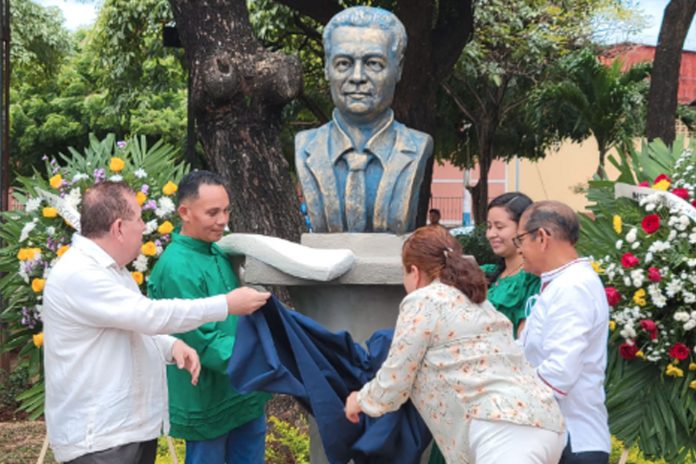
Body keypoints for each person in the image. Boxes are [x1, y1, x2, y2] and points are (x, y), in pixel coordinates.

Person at [42, 181, 270, 464]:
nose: (144, 227)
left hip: (128, 430)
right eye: (138, 218)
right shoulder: (81, 274)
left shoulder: (114, 270)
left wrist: (170, 345)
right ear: (118, 228)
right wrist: (226, 305)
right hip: (100, 440)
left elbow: (131, 324)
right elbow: (149, 315)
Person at [344, 226, 565, 463]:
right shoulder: (478, 302)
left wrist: (360, 400)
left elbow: (396, 379)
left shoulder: (424, 299)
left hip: (501, 429)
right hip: (546, 424)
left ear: (415, 272)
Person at [148, 171, 270, 464]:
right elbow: (200, 340)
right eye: (213, 212)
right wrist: (260, 362)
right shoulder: (176, 267)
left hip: (243, 389)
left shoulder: (216, 250)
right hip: (207, 395)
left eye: (226, 210)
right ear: (184, 212)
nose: (223, 220)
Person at [295, 6, 433, 234]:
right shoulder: (305, 146)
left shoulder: (417, 146)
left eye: (373, 63)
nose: (357, 77)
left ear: (398, 70)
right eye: (343, 64)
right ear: (327, 69)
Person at [515, 200, 610, 463]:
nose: (519, 249)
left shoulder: (573, 286)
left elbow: (560, 373)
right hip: (558, 437)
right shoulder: (562, 283)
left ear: (542, 237)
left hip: (573, 440)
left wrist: (507, 395)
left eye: (520, 239)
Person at [483, 192, 539, 337]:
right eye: (489, 227)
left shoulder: (533, 279)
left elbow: (525, 339)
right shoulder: (485, 273)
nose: (490, 234)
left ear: (522, 228)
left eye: (499, 227)